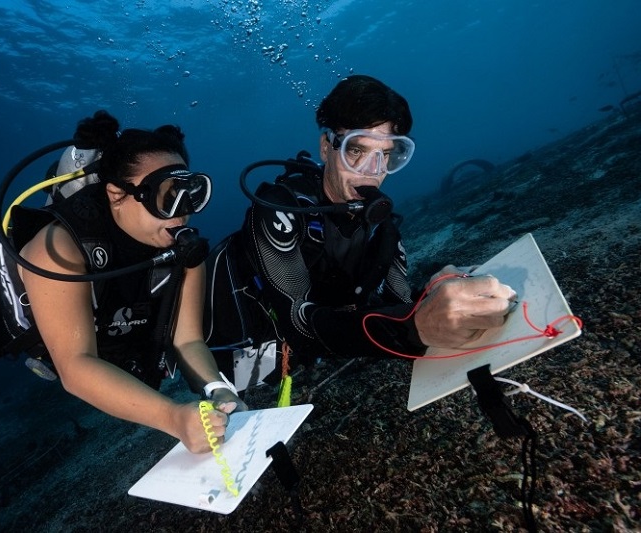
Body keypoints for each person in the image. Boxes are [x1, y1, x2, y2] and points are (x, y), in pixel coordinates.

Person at [0, 110, 246, 453]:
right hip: (36, 292)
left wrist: (216, 389)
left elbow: (188, 341)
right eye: (164, 195)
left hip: (104, 311)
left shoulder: (184, 251)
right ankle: (1, 268)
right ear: (116, 193)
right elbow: (75, 366)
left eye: (188, 194)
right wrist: (174, 418)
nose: (180, 214)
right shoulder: (59, 248)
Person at [204, 75, 516, 391]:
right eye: (356, 150)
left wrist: (432, 295)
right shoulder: (279, 210)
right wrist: (412, 328)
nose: (371, 170)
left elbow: (401, 301)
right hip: (241, 358)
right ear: (327, 148)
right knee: (273, 369)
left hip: (317, 335)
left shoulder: (381, 227)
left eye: (386, 156)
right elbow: (299, 324)